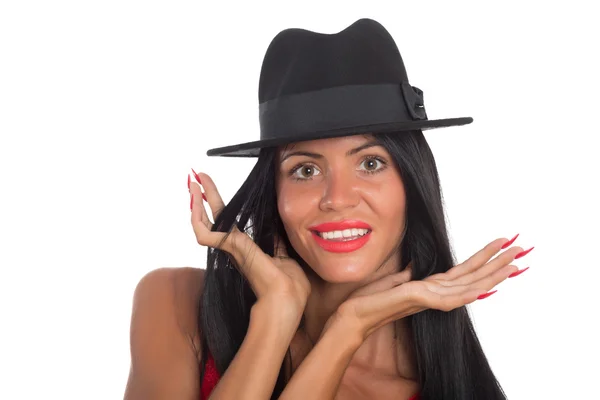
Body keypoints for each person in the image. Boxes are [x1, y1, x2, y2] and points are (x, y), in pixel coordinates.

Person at [124, 18, 533, 400]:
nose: (337, 197)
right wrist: (276, 314)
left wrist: (348, 327)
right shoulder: (176, 303)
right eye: (305, 169)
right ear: (275, 191)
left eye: (370, 163)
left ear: (412, 181)